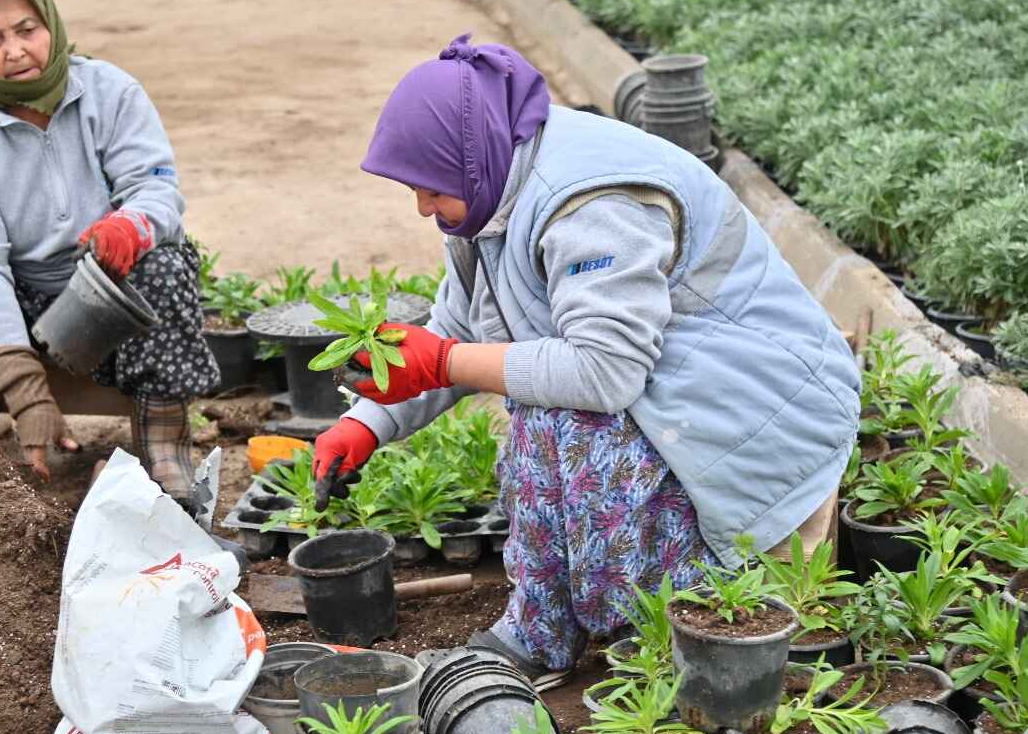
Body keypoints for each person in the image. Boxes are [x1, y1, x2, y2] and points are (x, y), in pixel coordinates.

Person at [313, 35, 860, 688]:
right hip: (685, 392)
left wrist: (448, 362)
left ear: (469, 159)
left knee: (564, 415)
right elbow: (457, 328)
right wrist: (370, 422)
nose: (423, 208)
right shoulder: (491, 186)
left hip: (759, 412)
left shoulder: (592, 202)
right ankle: (546, 627)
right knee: (543, 395)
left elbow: (603, 372)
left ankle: (647, 622)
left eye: (431, 189)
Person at [0, 0, 219, 502]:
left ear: (52, 26)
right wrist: (27, 392)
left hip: (105, 294)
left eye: (27, 30)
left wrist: (130, 225)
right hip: (16, 302)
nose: (14, 51)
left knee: (163, 262)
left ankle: (164, 454)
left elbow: (157, 188)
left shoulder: (110, 92)